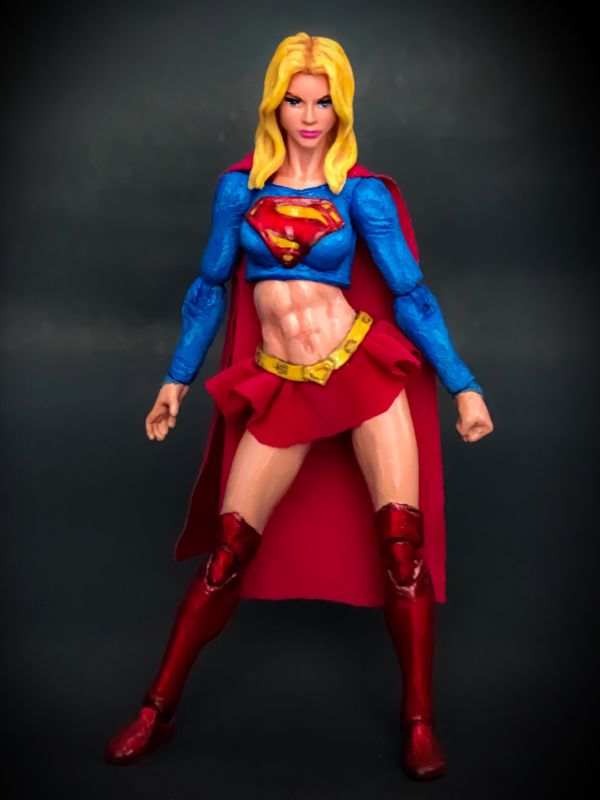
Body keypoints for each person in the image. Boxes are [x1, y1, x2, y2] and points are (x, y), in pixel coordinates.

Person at [104, 32, 494, 780]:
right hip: (284, 378)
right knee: (226, 556)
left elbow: (411, 296)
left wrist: (462, 383)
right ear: (273, 105)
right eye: (295, 100)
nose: (310, 116)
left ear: (341, 108)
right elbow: (208, 289)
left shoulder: (360, 195)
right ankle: (157, 709)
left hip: (361, 372)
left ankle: (418, 720)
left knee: (402, 550)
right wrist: (176, 380)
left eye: (323, 101)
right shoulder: (240, 191)